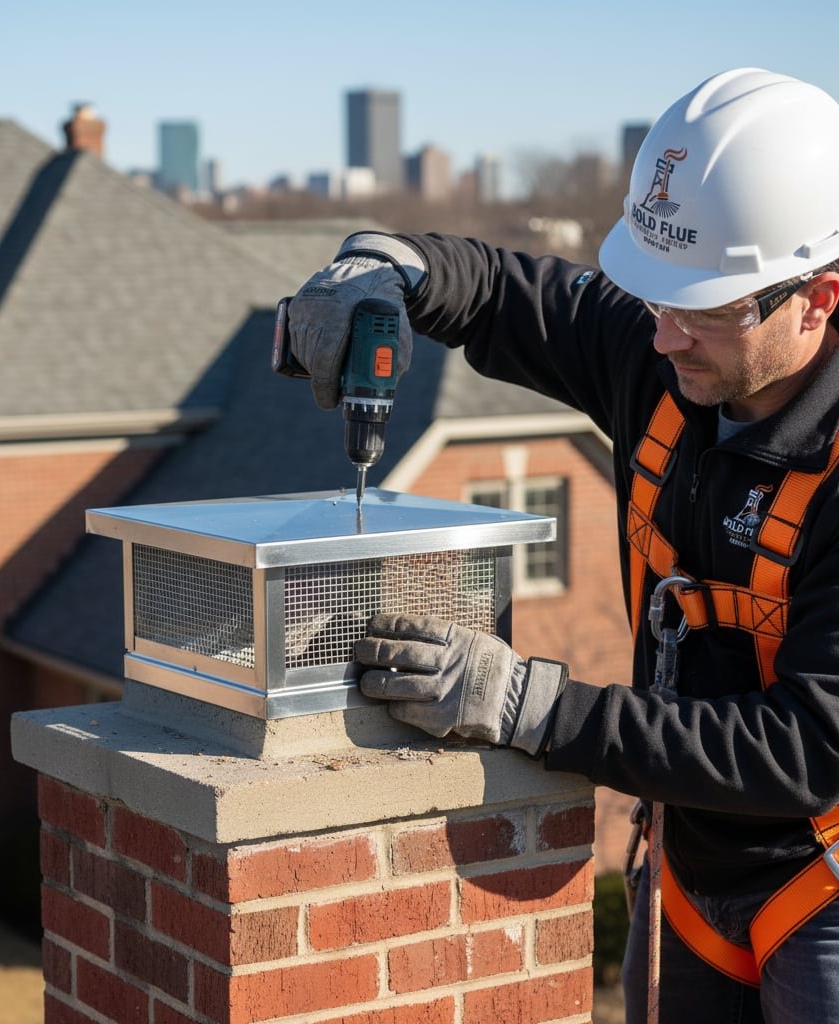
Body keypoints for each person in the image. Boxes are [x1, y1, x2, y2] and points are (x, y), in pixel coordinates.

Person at [285, 68, 839, 1024]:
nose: (661, 337)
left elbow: (810, 748)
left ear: (818, 298)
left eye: (700, 309)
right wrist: (388, 265)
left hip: (821, 884)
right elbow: (499, 292)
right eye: (656, 298)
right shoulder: (671, 358)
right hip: (691, 867)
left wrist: (530, 706)